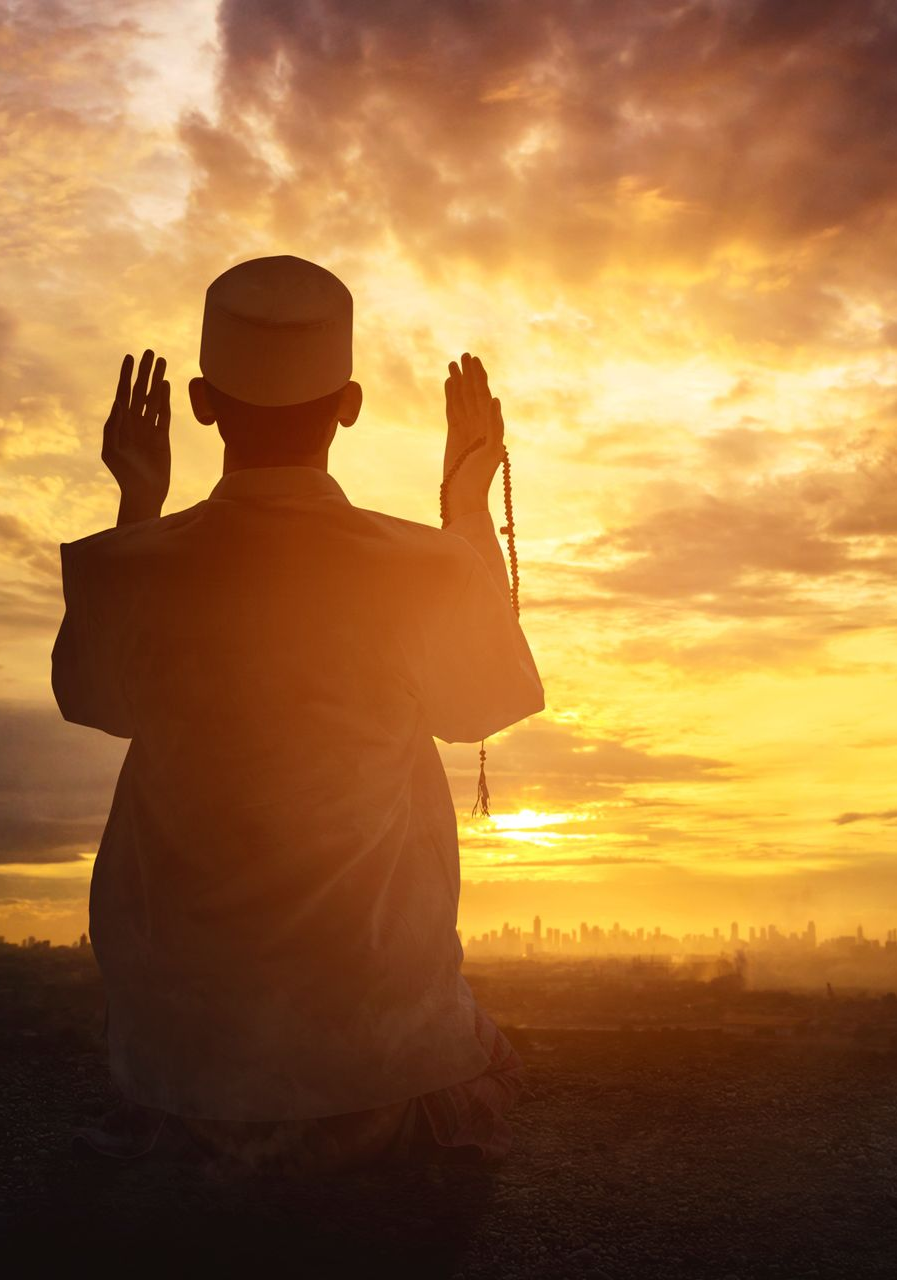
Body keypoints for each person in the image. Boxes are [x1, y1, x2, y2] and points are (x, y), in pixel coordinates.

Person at [51, 254, 545, 1174]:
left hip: (181, 1073)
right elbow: (485, 705)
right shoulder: (421, 568)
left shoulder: (130, 564)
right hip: (377, 1070)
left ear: (201, 403)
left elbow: (93, 700)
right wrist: (466, 507)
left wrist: (137, 504)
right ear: (349, 403)